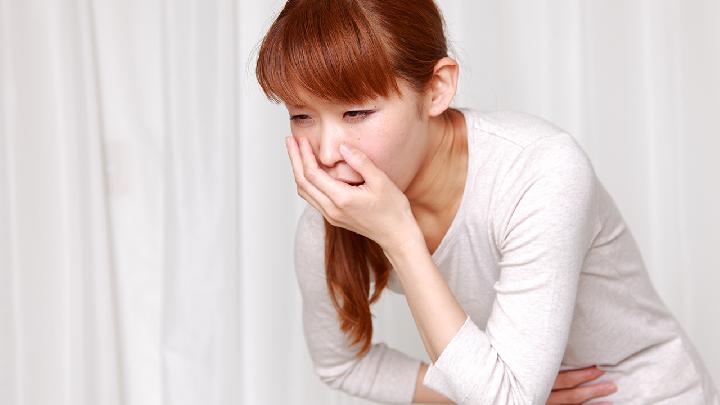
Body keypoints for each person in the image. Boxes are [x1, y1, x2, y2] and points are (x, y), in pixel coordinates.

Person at [254, 1, 720, 404]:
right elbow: (342, 365)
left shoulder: (539, 171)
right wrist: (483, 388)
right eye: (301, 116)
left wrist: (398, 234)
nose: (328, 152)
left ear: (437, 88)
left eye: (356, 112)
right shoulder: (335, 220)